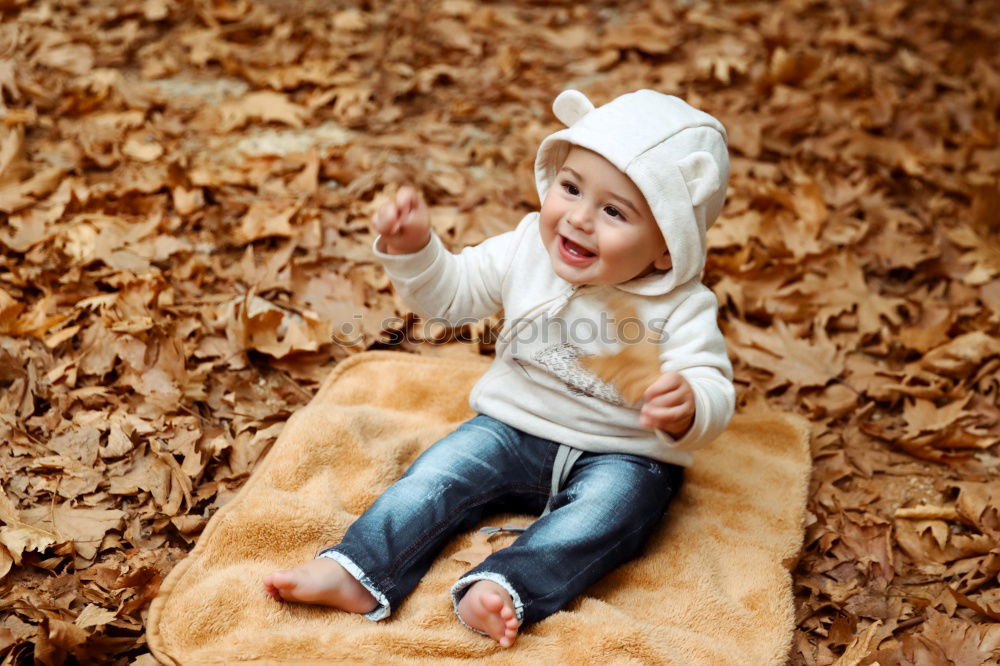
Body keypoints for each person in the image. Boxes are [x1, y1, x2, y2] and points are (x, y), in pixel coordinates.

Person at [263, 89, 735, 649]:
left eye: (614, 212)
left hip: (625, 452)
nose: (580, 219)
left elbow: (710, 383)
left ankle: (503, 587)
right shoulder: (524, 251)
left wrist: (689, 404)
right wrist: (417, 252)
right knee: (435, 477)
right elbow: (451, 296)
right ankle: (358, 570)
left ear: (666, 249)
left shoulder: (681, 306)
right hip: (513, 428)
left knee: (614, 517)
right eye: (571, 188)